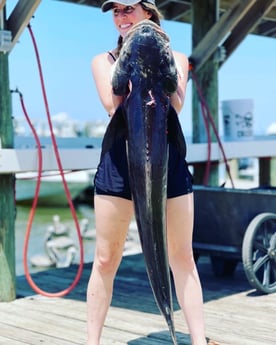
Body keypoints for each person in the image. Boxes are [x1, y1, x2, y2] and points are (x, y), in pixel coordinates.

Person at [87, 1, 218, 345]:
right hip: (120, 161)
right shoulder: (103, 61)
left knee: (182, 256)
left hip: (166, 160)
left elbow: (175, 102)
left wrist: (155, 56)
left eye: (128, 9)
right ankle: (92, 342)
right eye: (115, 12)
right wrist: (131, 59)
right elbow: (112, 104)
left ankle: (197, 339)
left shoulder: (175, 59)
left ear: (148, 12)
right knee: (104, 259)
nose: (122, 17)